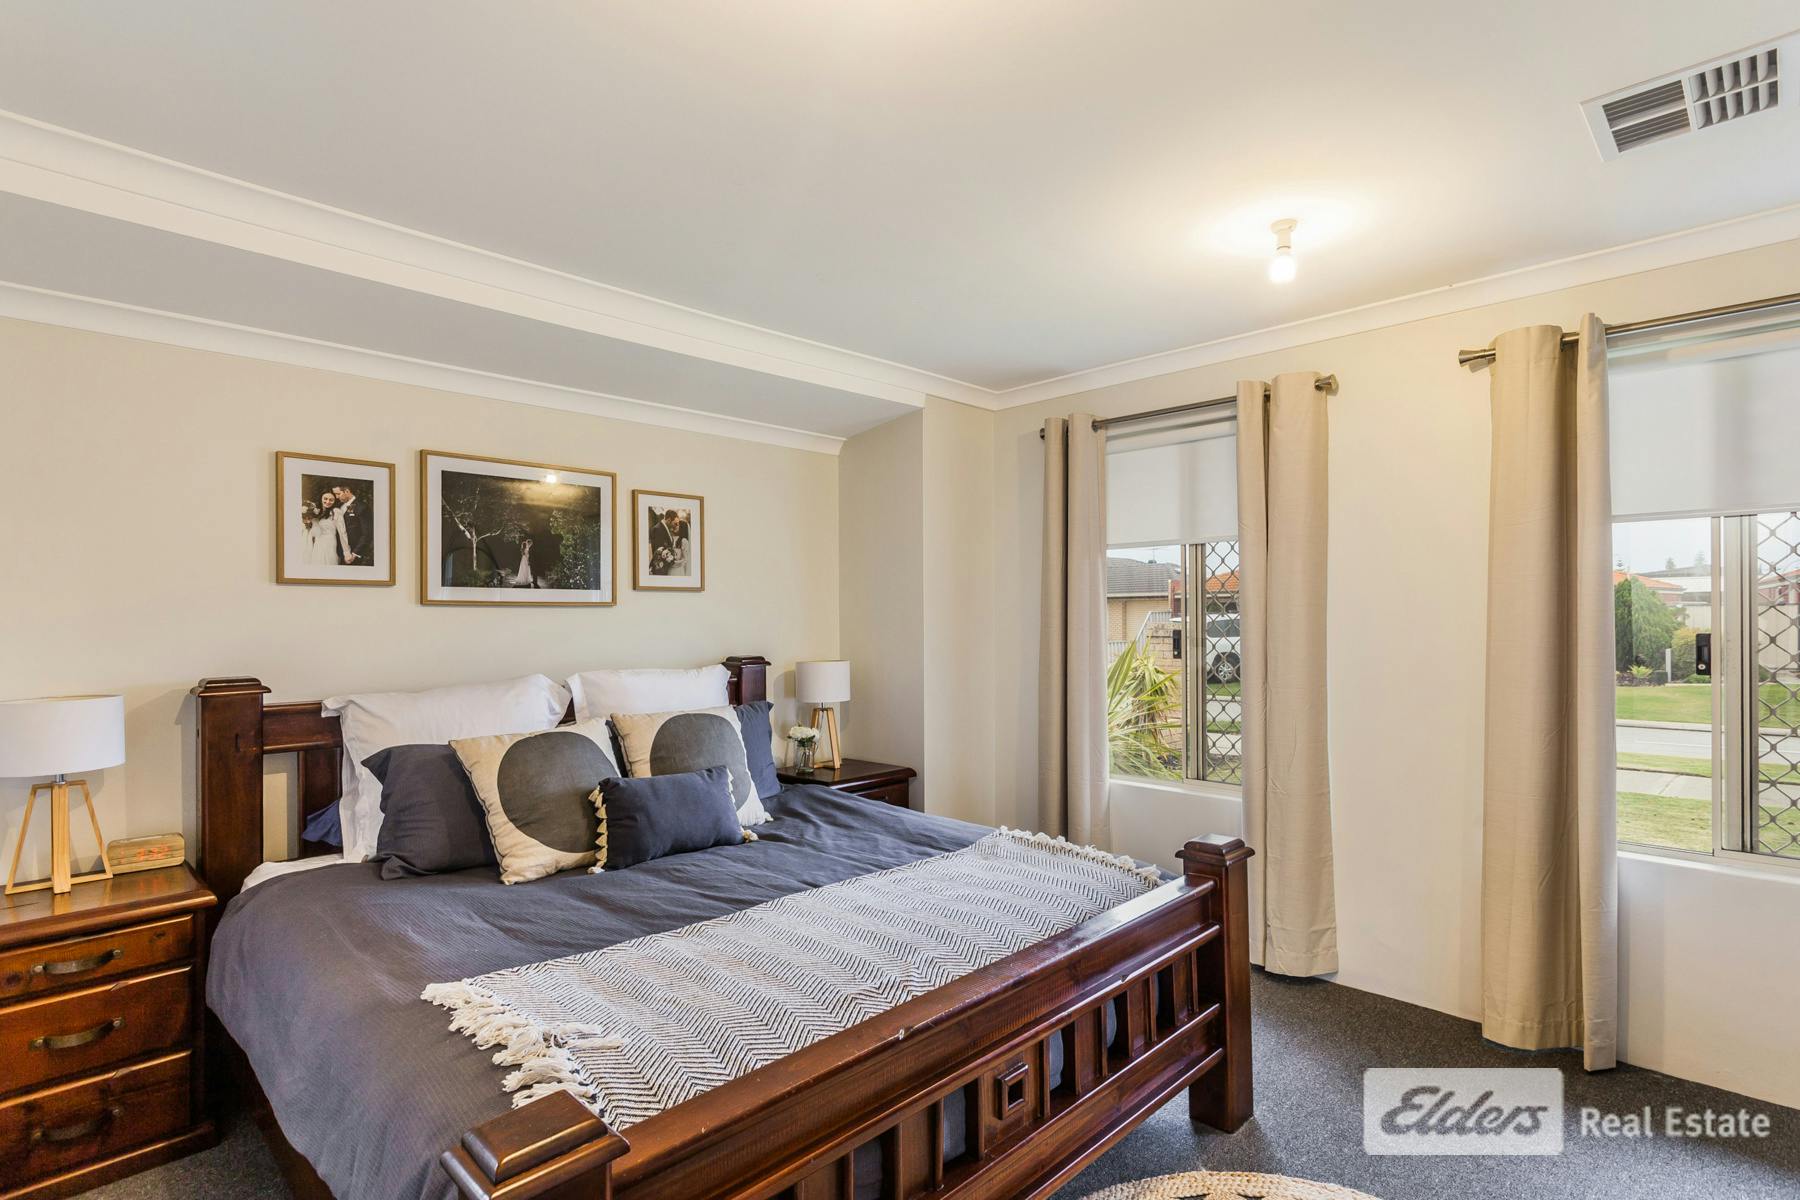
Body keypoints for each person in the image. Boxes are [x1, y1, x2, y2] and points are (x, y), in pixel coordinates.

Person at [303, 491, 348, 565]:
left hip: (329, 543)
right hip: (318, 544)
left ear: (335, 501)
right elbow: (316, 533)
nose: (328, 502)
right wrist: (312, 522)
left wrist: (346, 552)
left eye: (331, 500)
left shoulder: (336, 511)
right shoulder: (318, 512)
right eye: (325, 499)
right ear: (321, 498)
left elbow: (342, 532)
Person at [332, 484, 371, 567]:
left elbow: (367, 534)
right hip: (338, 552)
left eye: (338, 494)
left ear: (347, 491)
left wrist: (354, 554)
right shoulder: (339, 506)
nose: (336, 497)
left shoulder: (362, 507)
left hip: (353, 554)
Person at [649, 507, 690, 575]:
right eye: (675, 523)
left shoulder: (666, 529)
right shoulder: (658, 529)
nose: (677, 526)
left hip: (667, 569)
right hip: (660, 570)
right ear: (668, 520)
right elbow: (658, 553)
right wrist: (672, 561)